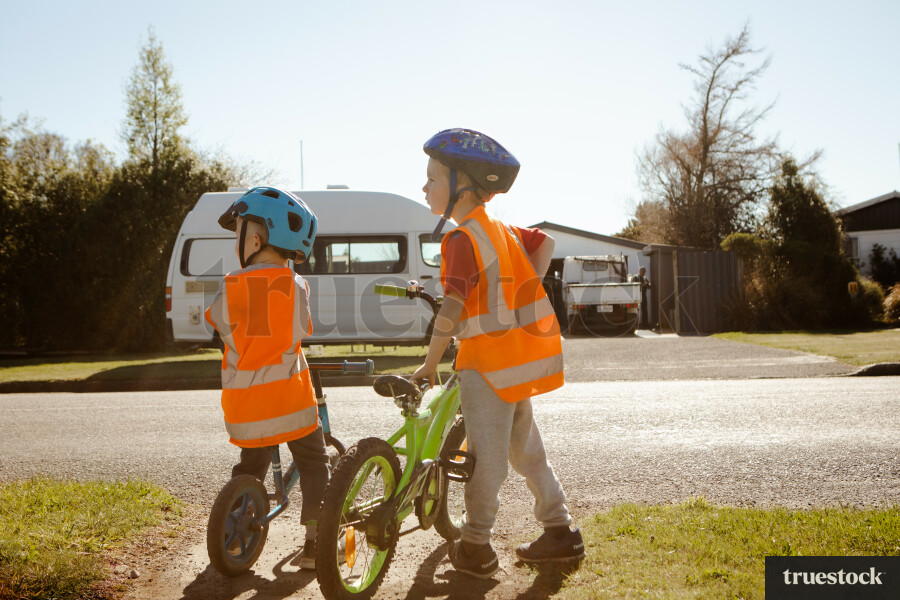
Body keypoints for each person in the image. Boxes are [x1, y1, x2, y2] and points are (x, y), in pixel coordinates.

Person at [411, 129, 583, 579]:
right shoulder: (501, 231)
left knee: (484, 460)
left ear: (461, 187)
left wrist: (429, 362)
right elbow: (544, 242)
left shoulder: (461, 239)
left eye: (432, 178)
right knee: (526, 452)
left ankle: (475, 547)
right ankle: (560, 531)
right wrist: (524, 290)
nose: (424, 187)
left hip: (486, 366)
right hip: (517, 362)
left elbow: (451, 308)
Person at [205, 186, 328, 570]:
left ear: (254, 240)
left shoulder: (230, 286)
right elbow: (301, 330)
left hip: (245, 408)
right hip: (291, 404)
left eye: (239, 231)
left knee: (250, 465)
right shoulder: (296, 287)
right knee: (314, 463)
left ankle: (234, 525)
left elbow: (220, 325)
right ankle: (314, 543)